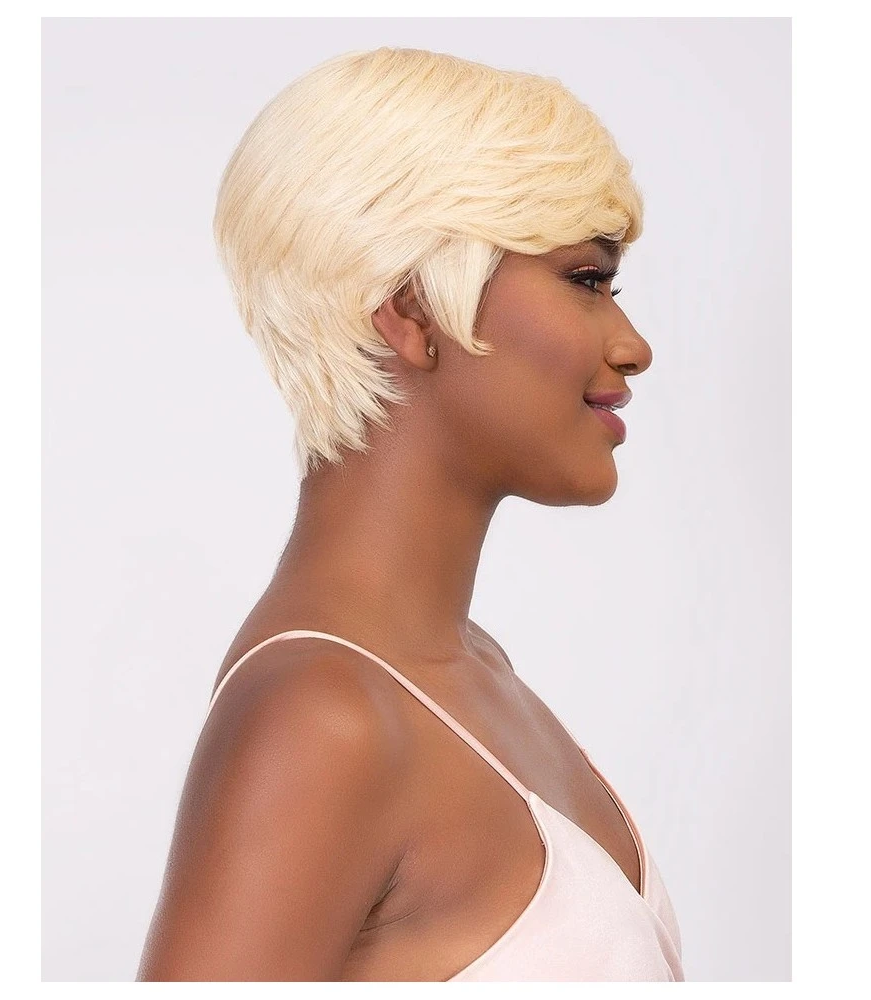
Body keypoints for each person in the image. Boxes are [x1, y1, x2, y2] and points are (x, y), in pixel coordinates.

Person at [137, 46, 683, 982]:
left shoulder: (471, 672)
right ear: (411, 310)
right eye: (586, 280)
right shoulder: (325, 717)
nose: (633, 346)